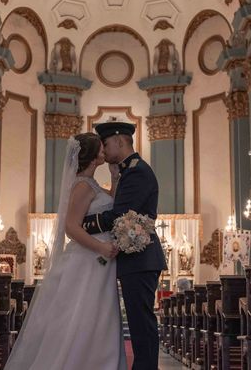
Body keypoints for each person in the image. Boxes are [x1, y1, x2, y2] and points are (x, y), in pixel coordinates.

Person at [3, 132, 127, 370]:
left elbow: (109, 201)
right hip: (89, 258)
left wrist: (115, 179)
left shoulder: (90, 183)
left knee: (99, 314)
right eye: (101, 148)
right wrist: (101, 246)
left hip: (98, 260)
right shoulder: (82, 185)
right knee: (85, 312)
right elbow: (71, 227)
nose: (104, 150)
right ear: (91, 156)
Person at [82, 121, 168, 370]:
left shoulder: (138, 171)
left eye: (106, 144)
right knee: (140, 320)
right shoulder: (127, 171)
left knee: (142, 323)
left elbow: (119, 215)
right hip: (135, 258)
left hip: (140, 258)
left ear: (120, 141)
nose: (104, 150)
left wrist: (81, 225)